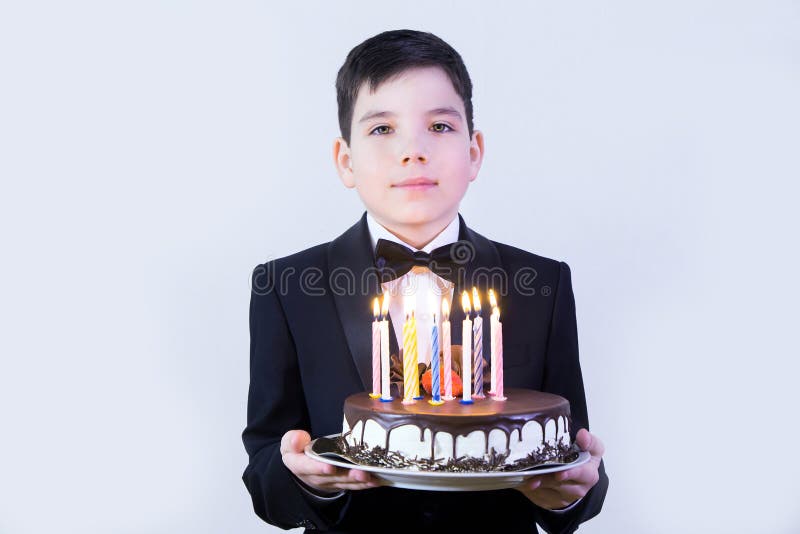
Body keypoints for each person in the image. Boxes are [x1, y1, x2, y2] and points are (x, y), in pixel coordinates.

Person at [242, 29, 608, 533]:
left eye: (439, 125)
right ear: (345, 161)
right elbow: (263, 480)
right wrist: (307, 479)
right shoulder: (285, 287)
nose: (413, 151)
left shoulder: (541, 285)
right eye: (381, 130)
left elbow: (571, 457)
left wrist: (571, 494)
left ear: (474, 152)